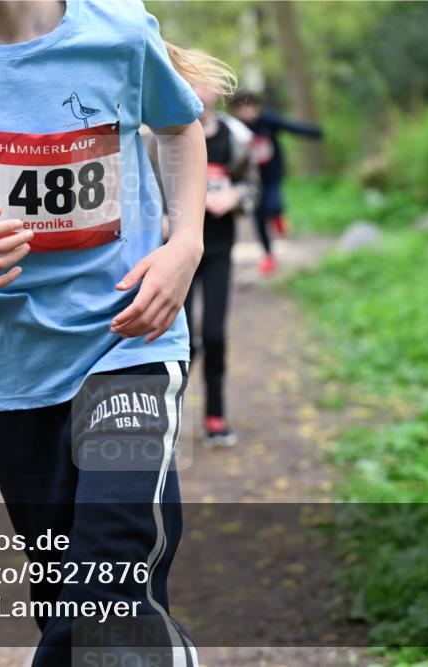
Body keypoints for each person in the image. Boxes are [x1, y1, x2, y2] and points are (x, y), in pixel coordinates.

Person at [0, 1, 228, 664]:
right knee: (64, 593)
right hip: (16, 367)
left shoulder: (117, 29)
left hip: (130, 339)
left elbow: (179, 128)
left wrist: (186, 243)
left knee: (108, 564)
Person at [185, 81, 257, 447]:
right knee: (178, 340)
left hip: (218, 249)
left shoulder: (236, 136)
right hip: (175, 252)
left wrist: (235, 195)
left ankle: (216, 415)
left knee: (214, 335)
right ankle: (165, 415)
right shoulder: (162, 132)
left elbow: (251, 185)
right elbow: (140, 192)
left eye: (204, 82)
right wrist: (166, 222)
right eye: (189, 80)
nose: (198, 90)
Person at [229, 87, 323, 275]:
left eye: (250, 108)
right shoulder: (235, 128)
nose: (247, 113)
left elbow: (290, 127)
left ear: (257, 106)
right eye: (241, 110)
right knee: (258, 218)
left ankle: (278, 216)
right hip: (251, 180)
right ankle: (268, 255)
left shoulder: (268, 120)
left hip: (273, 174)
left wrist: (315, 132)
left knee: (273, 203)